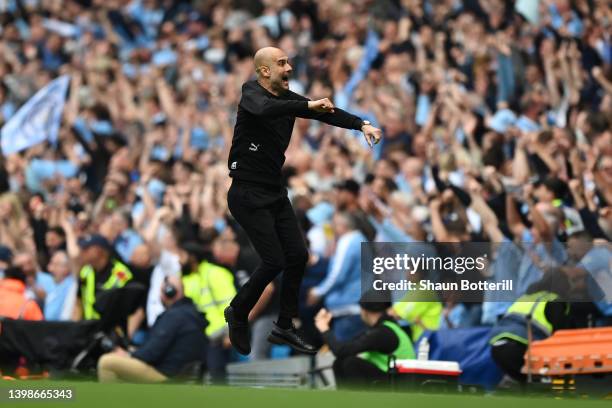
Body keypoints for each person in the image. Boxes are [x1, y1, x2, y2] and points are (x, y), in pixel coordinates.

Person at [224, 46, 382, 355]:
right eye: (281, 63)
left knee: (298, 255)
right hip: (246, 192)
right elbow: (267, 109)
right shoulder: (251, 94)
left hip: (274, 191)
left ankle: (284, 325)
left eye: (288, 63)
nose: (289, 69)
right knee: (274, 260)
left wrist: (361, 123)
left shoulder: (289, 100)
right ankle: (237, 311)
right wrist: (305, 105)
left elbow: (327, 113)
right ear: (264, 71)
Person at [97, 275, 207, 383]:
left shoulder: (173, 316)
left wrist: (129, 355)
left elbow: (151, 354)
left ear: (169, 292)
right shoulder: (191, 313)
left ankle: (113, 401)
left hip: (164, 374)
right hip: (177, 373)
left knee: (106, 362)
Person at [314, 294, 415, 389]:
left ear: (364, 311)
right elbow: (345, 348)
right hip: (396, 380)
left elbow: (340, 350)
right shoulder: (385, 328)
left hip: (398, 385)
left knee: (350, 363)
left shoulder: (382, 333)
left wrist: (324, 329)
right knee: (341, 362)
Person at [181, 241, 235, 383]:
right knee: (195, 380)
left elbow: (230, 304)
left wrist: (231, 331)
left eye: (182, 255)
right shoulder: (185, 279)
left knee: (217, 377)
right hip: (198, 337)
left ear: (192, 257)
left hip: (217, 335)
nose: (178, 259)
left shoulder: (216, 273)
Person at [74, 234, 133, 320]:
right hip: (87, 327)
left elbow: (130, 307)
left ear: (99, 251)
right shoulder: (85, 271)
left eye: (86, 249)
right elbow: (78, 301)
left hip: (110, 328)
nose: (81, 252)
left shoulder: (121, 273)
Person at [44, 250, 77, 321]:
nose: (50, 268)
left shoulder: (73, 285)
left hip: (63, 328)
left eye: (55, 265)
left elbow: (67, 315)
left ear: (66, 268)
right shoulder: (52, 284)